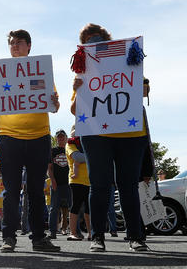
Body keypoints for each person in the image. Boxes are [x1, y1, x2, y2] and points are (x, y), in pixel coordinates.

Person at [71, 23, 149, 252]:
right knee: (99, 185)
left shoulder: (127, 61)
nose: (93, 43)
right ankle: (97, 237)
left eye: (97, 38)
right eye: (88, 41)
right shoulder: (82, 71)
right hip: (97, 136)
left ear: (106, 40)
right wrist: (77, 90)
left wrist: (140, 82)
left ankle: (135, 237)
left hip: (130, 134)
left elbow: (142, 91)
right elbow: (76, 110)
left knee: (128, 186)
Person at [0, 29, 61, 253]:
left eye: (20, 42)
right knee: (10, 191)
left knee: (35, 191)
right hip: (8, 137)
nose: (15, 46)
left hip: (38, 137)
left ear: (29, 46)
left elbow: (54, 106)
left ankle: (39, 238)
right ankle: (8, 237)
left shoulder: (42, 71)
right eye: (12, 43)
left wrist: (54, 101)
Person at [65, 130, 91, 241]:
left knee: (89, 208)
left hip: (89, 180)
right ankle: (73, 233)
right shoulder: (70, 144)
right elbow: (77, 157)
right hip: (76, 180)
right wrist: (92, 156)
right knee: (75, 205)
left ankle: (91, 233)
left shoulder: (88, 142)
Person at [48, 129, 70, 239]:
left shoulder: (70, 149)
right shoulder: (52, 151)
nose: (60, 138)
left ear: (66, 138)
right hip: (57, 183)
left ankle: (73, 230)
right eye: (59, 137)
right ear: (56, 139)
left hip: (70, 183)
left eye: (62, 137)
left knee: (72, 207)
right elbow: (49, 168)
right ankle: (52, 231)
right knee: (54, 208)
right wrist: (52, 180)